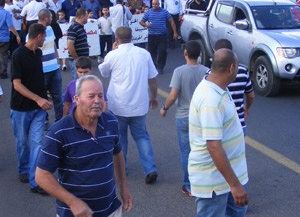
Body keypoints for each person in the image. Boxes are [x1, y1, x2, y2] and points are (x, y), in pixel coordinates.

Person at [35, 75, 133, 217]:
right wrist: (73, 202)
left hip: (109, 211)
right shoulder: (59, 132)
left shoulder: (110, 122)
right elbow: (42, 175)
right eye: (91, 96)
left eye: (100, 95)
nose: (97, 101)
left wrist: (124, 187)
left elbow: (117, 153)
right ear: (77, 99)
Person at [189, 48, 249, 217]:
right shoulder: (210, 100)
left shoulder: (218, 88)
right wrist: (235, 185)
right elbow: (213, 145)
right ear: (231, 68)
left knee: (236, 211)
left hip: (226, 175)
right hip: (212, 177)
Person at [99, 26, 160, 184]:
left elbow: (104, 72)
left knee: (120, 138)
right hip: (139, 104)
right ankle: (150, 169)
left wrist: (111, 51)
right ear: (132, 37)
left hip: (118, 105)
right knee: (142, 137)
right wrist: (153, 96)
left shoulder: (112, 55)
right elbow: (152, 79)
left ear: (116, 39)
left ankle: (121, 169)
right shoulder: (144, 54)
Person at [160, 40, 207, 197]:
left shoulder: (179, 71)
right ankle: (204, 182)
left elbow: (173, 96)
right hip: (202, 117)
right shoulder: (206, 71)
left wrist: (164, 108)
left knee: (186, 152)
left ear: (185, 53)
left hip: (184, 116)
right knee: (202, 151)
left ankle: (189, 185)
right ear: (199, 54)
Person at [10, 23, 53, 194]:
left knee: (38, 143)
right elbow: (17, 84)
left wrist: (44, 94)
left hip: (39, 109)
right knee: (22, 143)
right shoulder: (18, 55)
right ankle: (23, 168)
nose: (45, 40)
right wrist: (37, 98)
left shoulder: (38, 53)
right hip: (21, 108)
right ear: (39, 36)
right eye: (44, 37)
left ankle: (35, 180)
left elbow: (37, 77)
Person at [213, 39, 255, 135]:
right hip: (239, 124)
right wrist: (246, 108)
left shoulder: (211, 75)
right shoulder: (243, 71)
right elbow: (251, 96)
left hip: (220, 126)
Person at [37, 9, 63, 122]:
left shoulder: (50, 28)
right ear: (46, 18)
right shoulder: (34, 31)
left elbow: (53, 44)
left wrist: (57, 59)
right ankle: (44, 119)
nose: (52, 19)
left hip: (54, 68)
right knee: (42, 96)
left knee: (58, 96)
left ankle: (59, 120)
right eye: (51, 17)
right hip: (42, 70)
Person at [140, 0, 178, 74]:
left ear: (159, 4)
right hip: (152, 35)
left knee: (162, 51)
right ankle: (153, 66)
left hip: (162, 35)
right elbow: (141, 22)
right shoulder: (148, 12)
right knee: (152, 52)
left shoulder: (164, 12)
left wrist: (175, 32)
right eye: (153, 4)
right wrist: (146, 24)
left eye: (156, 4)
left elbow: (171, 21)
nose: (154, 6)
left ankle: (160, 67)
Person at [66, 8, 90, 79]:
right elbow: (70, 45)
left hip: (83, 60)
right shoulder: (73, 28)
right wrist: (76, 59)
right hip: (77, 61)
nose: (87, 18)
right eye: (86, 16)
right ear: (82, 16)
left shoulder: (80, 27)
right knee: (77, 82)